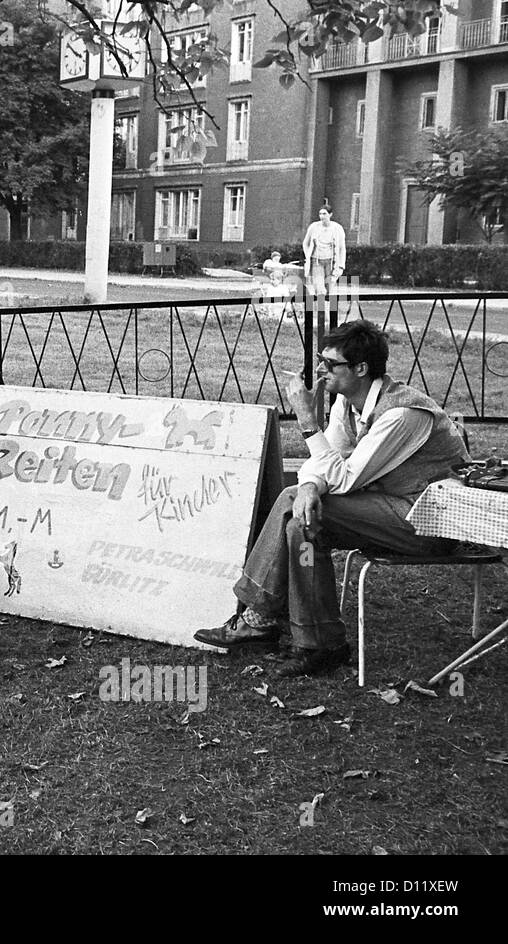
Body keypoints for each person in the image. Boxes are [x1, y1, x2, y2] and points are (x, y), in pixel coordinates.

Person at [194, 320, 469, 677]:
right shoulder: (348, 402)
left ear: (360, 369)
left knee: (299, 506)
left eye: (330, 364)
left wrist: (308, 422)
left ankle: (260, 618)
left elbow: (344, 478)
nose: (321, 371)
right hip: (392, 508)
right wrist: (309, 485)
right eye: (320, 361)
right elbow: (328, 461)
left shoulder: (402, 413)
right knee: (300, 520)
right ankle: (317, 645)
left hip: (433, 524)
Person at [301, 203, 346, 298]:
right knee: (320, 290)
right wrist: (307, 256)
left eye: (324, 214)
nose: (322, 216)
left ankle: (326, 311)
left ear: (330, 214)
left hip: (331, 263)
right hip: (317, 262)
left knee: (328, 291)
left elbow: (342, 248)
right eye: (320, 214)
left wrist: (341, 265)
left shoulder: (337, 228)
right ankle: (320, 311)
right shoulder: (314, 227)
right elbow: (306, 243)